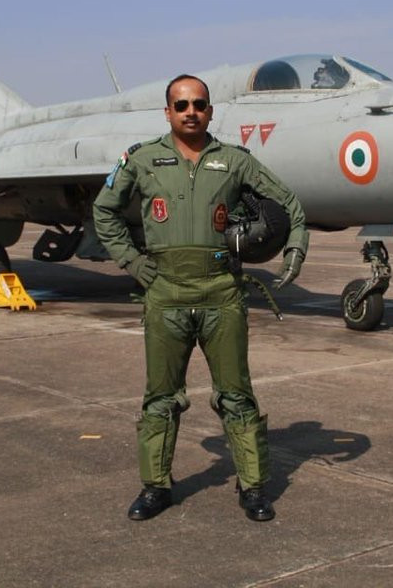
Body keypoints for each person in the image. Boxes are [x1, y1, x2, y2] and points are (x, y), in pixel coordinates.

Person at [92, 74, 308, 523]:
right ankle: (155, 487)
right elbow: (104, 209)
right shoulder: (141, 159)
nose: (190, 112)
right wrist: (132, 262)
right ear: (168, 112)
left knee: (237, 396)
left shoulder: (235, 161)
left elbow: (287, 203)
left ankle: (253, 487)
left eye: (199, 104)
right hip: (165, 294)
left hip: (221, 293)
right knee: (160, 398)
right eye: (181, 105)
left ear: (210, 110)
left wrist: (295, 248)